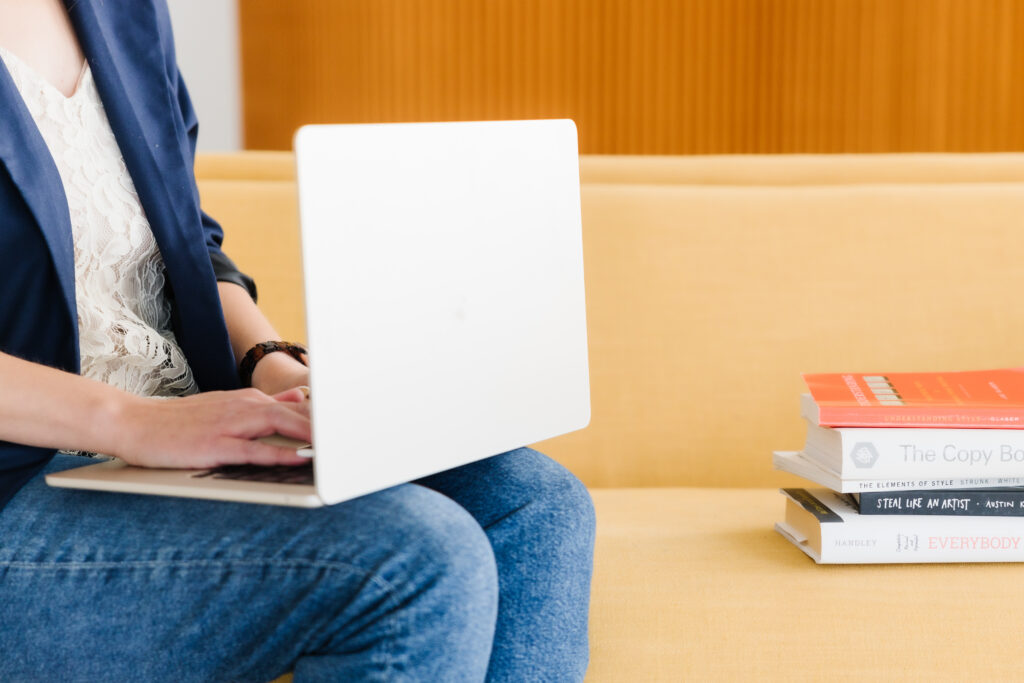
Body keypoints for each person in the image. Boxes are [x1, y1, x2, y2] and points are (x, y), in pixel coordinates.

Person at [0, 1, 596, 680]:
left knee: (536, 506)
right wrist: (137, 423)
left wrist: (269, 365)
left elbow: (185, 237)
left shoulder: (124, 9)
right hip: (28, 475)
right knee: (418, 556)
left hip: (174, 427)